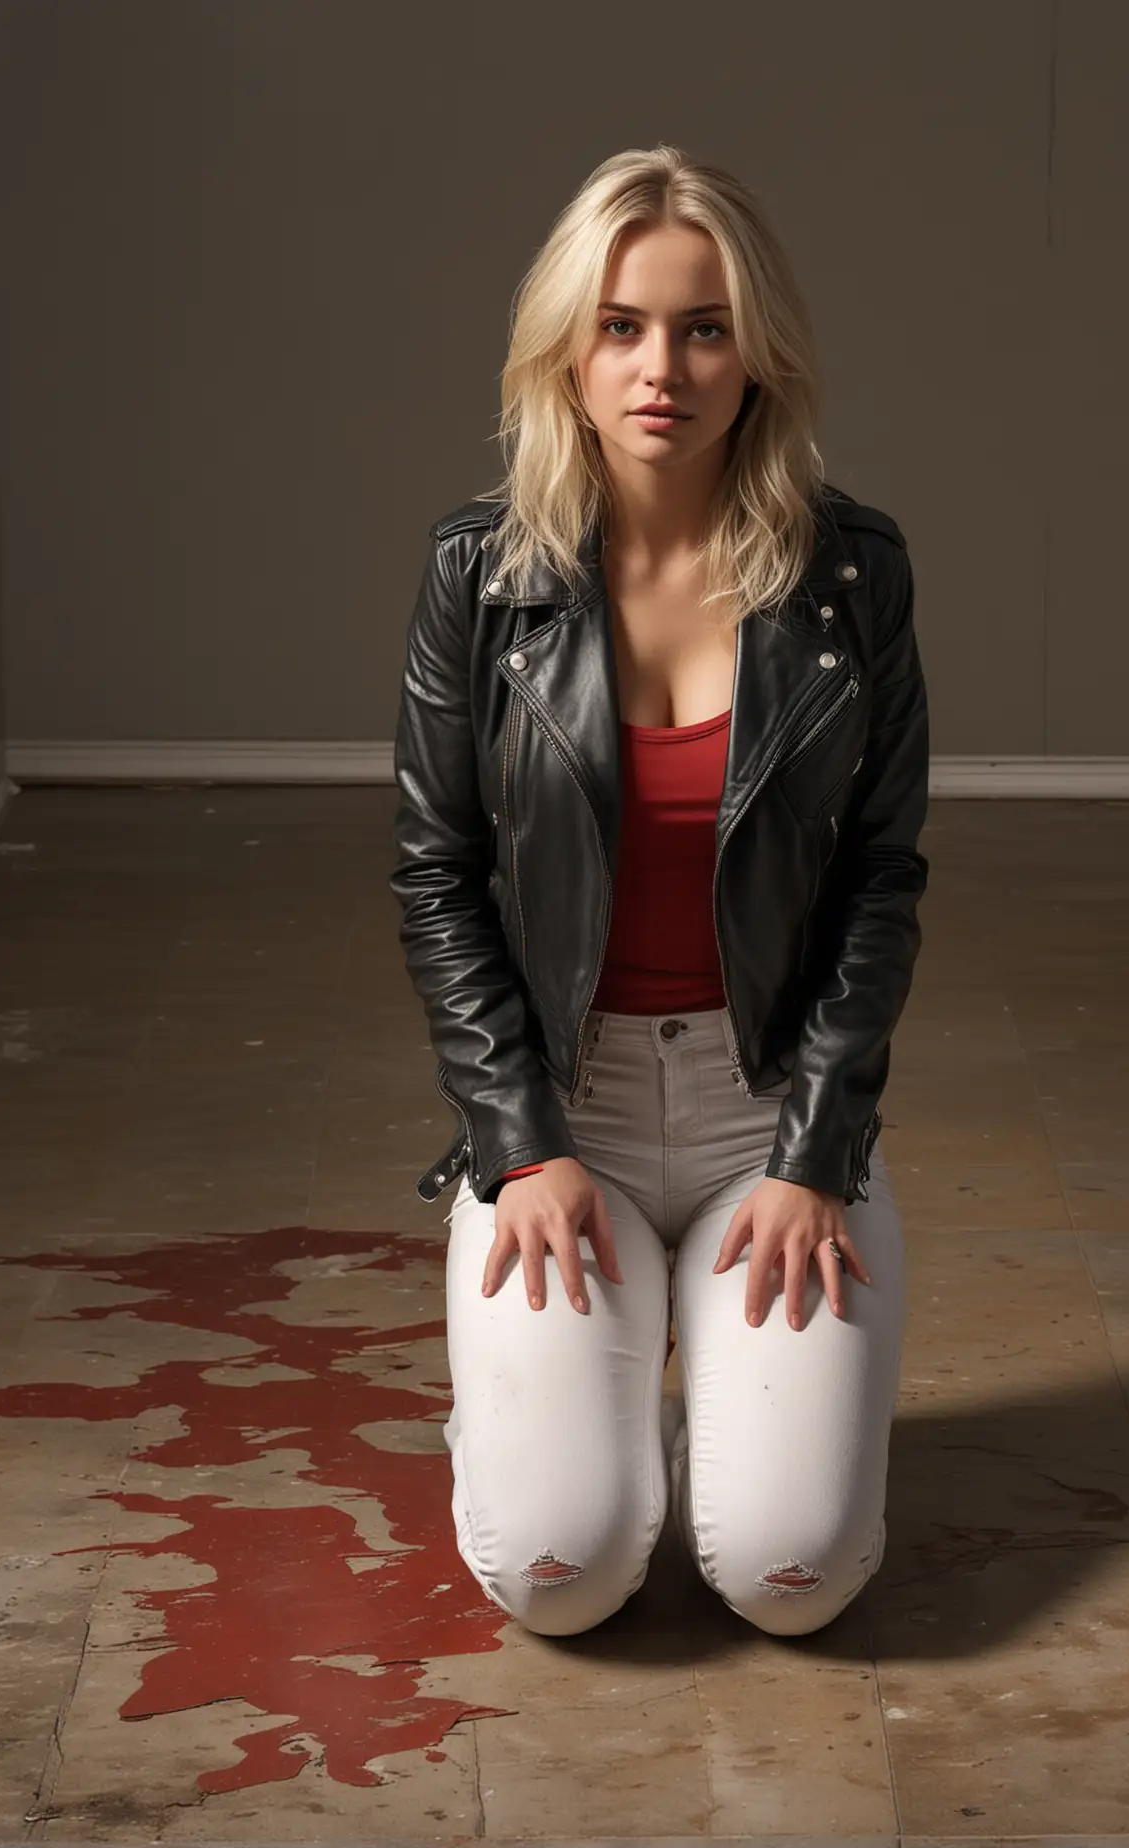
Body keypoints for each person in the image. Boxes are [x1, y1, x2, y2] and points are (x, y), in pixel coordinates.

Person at [389, 144, 930, 1638]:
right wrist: (522, 1142)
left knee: (791, 1579)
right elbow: (436, 875)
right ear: (567, 350)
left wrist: (818, 1147)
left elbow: (884, 878)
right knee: (558, 1579)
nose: (662, 368)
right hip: (574, 1112)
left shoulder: (849, 575)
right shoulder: (479, 575)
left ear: (756, 354)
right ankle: (548, 1438)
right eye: (622, 325)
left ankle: (745, 1441)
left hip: (778, 1106)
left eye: (702, 327)